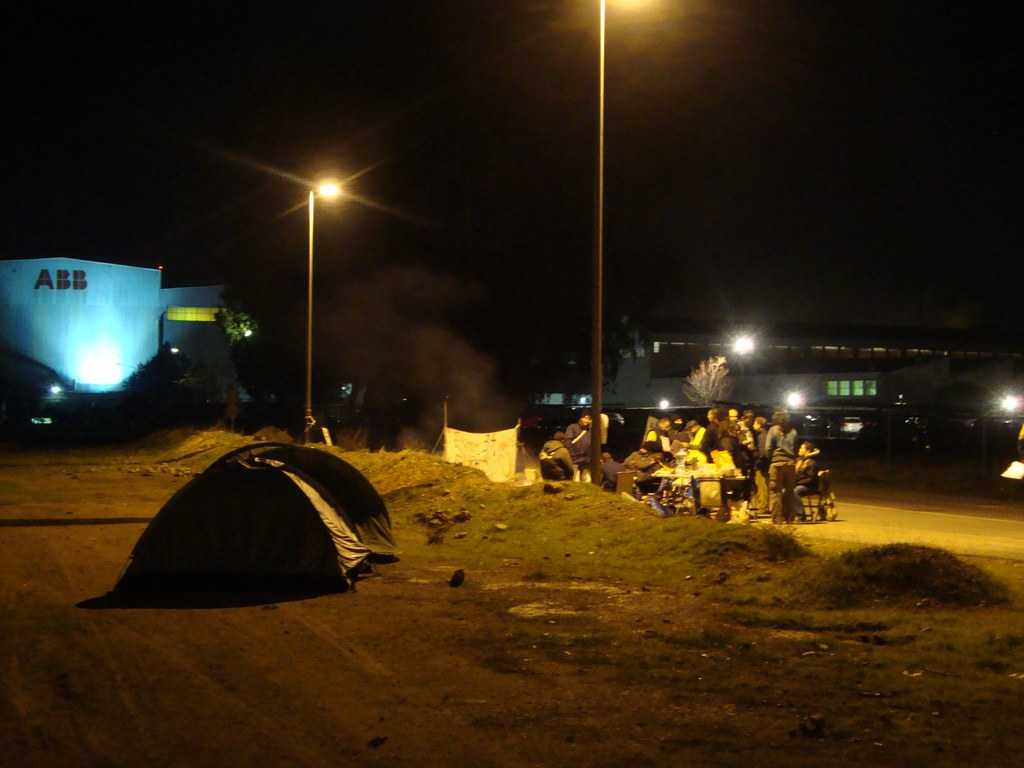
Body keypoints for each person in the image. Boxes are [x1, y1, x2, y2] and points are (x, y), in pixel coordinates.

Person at [765, 409, 800, 524]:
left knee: (776, 492)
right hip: (790, 464)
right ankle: (790, 518)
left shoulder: (773, 430)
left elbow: (768, 448)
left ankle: (777, 519)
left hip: (777, 464)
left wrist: (769, 459)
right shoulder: (794, 431)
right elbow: (796, 449)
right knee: (790, 491)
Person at [794, 441, 822, 521]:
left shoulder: (811, 463)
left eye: (802, 448)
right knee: (783, 491)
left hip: (809, 487)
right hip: (799, 484)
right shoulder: (798, 461)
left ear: (808, 451)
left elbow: (810, 479)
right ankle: (786, 515)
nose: (799, 450)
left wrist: (796, 483)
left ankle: (800, 515)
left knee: (795, 491)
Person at [563, 413, 592, 481]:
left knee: (584, 479)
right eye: (586, 418)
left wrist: (589, 456)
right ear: (581, 418)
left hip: (585, 459)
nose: (587, 420)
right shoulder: (572, 427)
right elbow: (567, 442)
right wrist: (572, 454)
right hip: (574, 458)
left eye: (589, 419)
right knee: (573, 478)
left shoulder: (589, 430)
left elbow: (590, 444)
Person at [750, 416, 770, 515]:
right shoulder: (766, 434)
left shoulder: (761, 436)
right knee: (765, 485)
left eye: (754, 423)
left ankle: (763, 507)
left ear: (759, 425)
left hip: (762, 465)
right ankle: (765, 505)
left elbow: (762, 452)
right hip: (766, 464)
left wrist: (758, 461)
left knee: (762, 486)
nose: (753, 425)